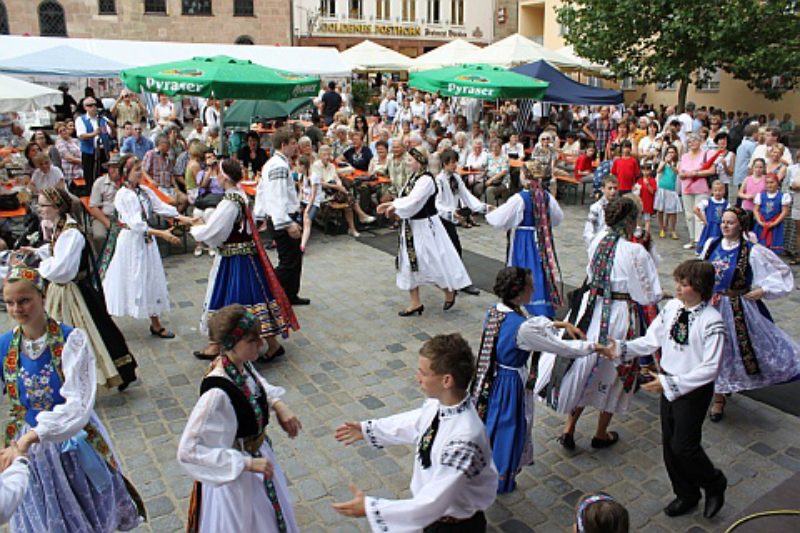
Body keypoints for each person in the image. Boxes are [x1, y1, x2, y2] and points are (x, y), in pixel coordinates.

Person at [0, 266, 145, 531]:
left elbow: (77, 404)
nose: (17, 309)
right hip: (27, 444)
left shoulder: (70, 340)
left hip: (70, 437)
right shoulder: (5, 345)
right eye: (9, 303)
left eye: (24, 300)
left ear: (42, 297)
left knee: (84, 506)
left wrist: (33, 436)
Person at [333, 333, 498, 532]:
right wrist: (369, 429)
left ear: (447, 380)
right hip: (436, 519)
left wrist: (371, 508)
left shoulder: (464, 439)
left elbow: (432, 502)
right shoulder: (439, 406)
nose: (417, 377)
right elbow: (414, 422)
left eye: (423, 373)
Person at [604, 260, 728, 519]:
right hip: (668, 381)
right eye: (678, 283)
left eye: (684, 285)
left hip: (692, 389)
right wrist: (621, 348)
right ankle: (686, 493)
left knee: (685, 445)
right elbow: (651, 340)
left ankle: (714, 482)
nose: (678, 289)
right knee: (670, 445)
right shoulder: (671, 308)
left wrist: (671, 384)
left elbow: (710, 369)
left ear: (700, 288)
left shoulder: (712, 321)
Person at [536, 197, 662, 450]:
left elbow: (593, 275)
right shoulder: (634, 251)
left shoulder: (597, 241)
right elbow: (647, 295)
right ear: (630, 221)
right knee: (614, 368)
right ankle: (601, 433)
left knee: (584, 361)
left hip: (589, 310)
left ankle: (569, 429)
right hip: (618, 314)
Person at [471, 267, 597, 494]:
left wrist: (560, 324)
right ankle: (500, 480)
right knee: (509, 428)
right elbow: (562, 348)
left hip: (494, 376)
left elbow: (533, 324)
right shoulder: (522, 327)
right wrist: (595, 347)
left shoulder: (496, 310)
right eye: (530, 286)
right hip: (509, 383)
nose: (534, 289)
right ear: (519, 292)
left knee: (495, 423)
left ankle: (486, 470)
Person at [178, 304, 302, 533]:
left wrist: (278, 404)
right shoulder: (216, 394)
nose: (261, 344)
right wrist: (245, 463)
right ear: (229, 345)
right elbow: (189, 451)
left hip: (258, 460)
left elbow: (255, 382)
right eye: (252, 340)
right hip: (238, 476)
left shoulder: (239, 365)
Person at [20, 186, 139, 390]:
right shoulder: (60, 227)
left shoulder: (71, 233)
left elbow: (63, 269)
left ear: (57, 207)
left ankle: (115, 372)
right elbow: (56, 253)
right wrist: (40, 252)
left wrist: (38, 266)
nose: (39, 209)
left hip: (73, 291)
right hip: (62, 289)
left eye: (43, 205)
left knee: (91, 333)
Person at [190, 159, 299, 361]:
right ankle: (269, 344)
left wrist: (195, 229)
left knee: (233, 298)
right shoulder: (239, 195)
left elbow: (215, 231)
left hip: (235, 259)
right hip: (245, 256)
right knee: (256, 298)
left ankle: (220, 345)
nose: (216, 177)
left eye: (218, 173)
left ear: (224, 176)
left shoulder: (230, 201)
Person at [701, 207, 800, 421]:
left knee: (729, 350)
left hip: (736, 308)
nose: (725, 226)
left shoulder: (751, 251)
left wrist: (763, 290)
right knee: (709, 348)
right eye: (723, 222)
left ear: (741, 226)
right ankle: (716, 388)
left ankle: (719, 397)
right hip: (710, 305)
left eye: (730, 222)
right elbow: (700, 270)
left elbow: (781, 271)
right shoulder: (712, 245)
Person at [102, 159, 194, 338]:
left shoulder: (144, 191)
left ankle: (156, 324)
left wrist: (188, 219)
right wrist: (162, 234)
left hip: (146, 242)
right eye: (136, 170)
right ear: (126, 173)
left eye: (140, 169)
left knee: (151, 278)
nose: (140, 173)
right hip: (131, 243)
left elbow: (162, 207)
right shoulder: (123, 195)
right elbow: (135, 224)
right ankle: (105, 323)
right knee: (122, 281)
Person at [377, 148, 470, 316]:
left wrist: (393, 206)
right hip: (411, 226)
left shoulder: (426, 180)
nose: (407, 162)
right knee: (408, 263)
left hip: (425, 227)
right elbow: (407, 198)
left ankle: (448, 289)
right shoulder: (413, 178)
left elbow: (415, 200)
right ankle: (415, 302)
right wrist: (393, 204)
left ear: (419, 161)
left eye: (410, 160)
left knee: (431, 262)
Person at [486, 161, 564, 318]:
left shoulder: (520, 198)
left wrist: (489, 212)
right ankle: (543, 305)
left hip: (525, 239)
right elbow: (557, 218)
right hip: (541, 238)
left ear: (526, 177)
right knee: (541, 269)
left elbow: (501, 219)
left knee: (525, 268)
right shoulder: (546, 196)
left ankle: (524, 305)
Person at [254, 128, 309, 306]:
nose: (296, 147)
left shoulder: (274, 163)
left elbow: (262, 192)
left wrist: (261, 215)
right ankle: (266, 291)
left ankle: (290, 294)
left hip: (282, 217)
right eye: (293, 144)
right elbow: (276, 196)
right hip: (283, 218)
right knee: (288, 262)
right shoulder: (278, 165)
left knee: (294, 259)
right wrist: (286, 223)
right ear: (283, 145)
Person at [435, 149, 488, 297]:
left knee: (454, 249)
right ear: (444, 164)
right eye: (452, 163)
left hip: (451, 218)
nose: (455, 165)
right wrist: (451, 212)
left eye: (456, 162)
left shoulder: (456, 178)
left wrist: (483, 207)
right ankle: (453, 282)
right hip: (441, 219)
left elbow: (466, 195)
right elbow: (437, 204)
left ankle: (457, 282)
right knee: (448, 250)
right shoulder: (439, 180)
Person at [678, 134, 712, 250]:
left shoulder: (705, 154)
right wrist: (683, 174)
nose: (692, 143)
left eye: (694, 141)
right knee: (689, 215)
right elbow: (680, 170)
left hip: (700, 187)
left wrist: (696, 173)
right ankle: (692, 238)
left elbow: (712, 170)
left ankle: (699, 240)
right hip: (686, 187)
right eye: (689, 142)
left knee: (699, 213)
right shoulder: (684, 156)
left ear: (699, 142)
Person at [74, 96, 110, 188]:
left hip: (102, 150)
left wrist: (112, 127)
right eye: (90, 105)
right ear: (85, 107)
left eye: (95, 105)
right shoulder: (81, 119)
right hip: (89, 151)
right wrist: (94, 133)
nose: (93, 107)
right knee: (90, 175)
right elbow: (81, 135)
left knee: (104, 176)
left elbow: (109, 134)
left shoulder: (102, 119)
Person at [655, 145, 682, 239]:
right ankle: (662, 228)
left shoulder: (677, 163)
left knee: (673, 211)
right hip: (662, 188)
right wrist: (665, 162)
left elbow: (677, 172)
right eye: (669, 152)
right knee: (660, 210)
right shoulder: (663, 162)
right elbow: (658, 170)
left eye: (672, 152)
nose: (670, 154)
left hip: (672, 189)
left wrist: (671, 164)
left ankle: (673, 230)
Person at [694, 180, 729, 255]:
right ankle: (702, 251)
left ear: (724, 191)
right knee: (706, 238)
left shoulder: (725, 203)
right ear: (712, 191)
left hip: (720, 226)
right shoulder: (708, 201)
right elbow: (696, 210)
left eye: (720, 190)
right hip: (710, 225)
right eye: (715, 190)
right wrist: (704, 220)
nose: (718, 193)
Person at [584, 176, 618, 250]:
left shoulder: (620, 206)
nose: (613, 191)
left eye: (615, 188)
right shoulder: (596, 208)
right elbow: (588, 230)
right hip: (600, 245)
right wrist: (596, 244)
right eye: (610, 188)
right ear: (603, 189)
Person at [633, 164, 657, 234]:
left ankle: (646, 234)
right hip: (640, 203)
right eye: (644, 170)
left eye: (647, 170)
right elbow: (636, 191)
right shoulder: (639, 180)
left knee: (647, 219)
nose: (645, 172)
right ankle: (638, 233)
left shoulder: (652, 180)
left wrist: (648, 185)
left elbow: (653, 191)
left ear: (650, 171)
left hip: (648, 203)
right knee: (638, 218)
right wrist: (634, 188)